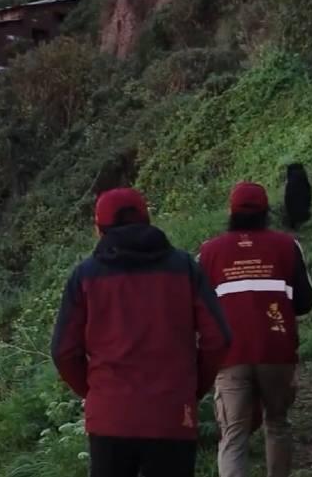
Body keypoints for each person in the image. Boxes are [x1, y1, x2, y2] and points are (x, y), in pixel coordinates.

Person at [51, 187, 232, 477]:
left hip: (110, 416)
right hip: (172, 414)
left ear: (99, 229)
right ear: (148, 220)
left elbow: (63, 350)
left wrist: (97, 393)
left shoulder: (84, 276)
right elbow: (219, 339)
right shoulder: (184, 267)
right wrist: (191, 388)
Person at [197, 182, 312, 477]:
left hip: (229, 354)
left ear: (230, 212)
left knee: (233, 434)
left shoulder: (209, 252)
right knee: (277, 423)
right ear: (266, 211)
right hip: (277, 351)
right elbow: (305, 301)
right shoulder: (287, 246)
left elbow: (197, 307)